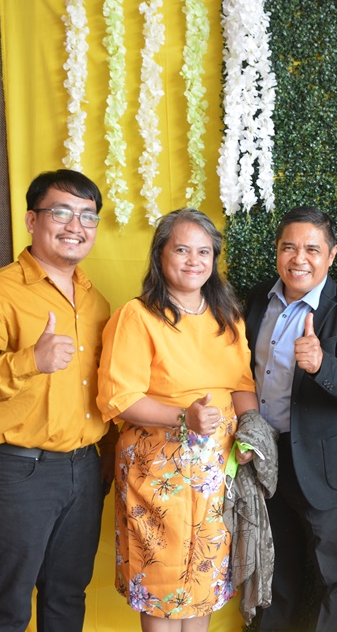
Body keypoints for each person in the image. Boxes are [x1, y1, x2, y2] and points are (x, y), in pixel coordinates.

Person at [0, 169, 114, 631]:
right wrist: (29, 361)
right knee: (7, 603)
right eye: (61, 212)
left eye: (88, 216)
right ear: (32, 220)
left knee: (67, 595)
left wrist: (110, 452)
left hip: (84, 469)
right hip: (17, 470)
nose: (75, 226)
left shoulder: (96, 302)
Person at [96, 208, 259, 630]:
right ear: (160, 255)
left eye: (204, 252)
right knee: (161, 580)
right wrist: (184, 417)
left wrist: (252, 435)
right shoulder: (137, 316)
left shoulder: (228, 316)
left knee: (203, 577)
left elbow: (242, 385)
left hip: (216, 470)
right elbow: (118, 398)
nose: (194, 260)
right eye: (182, 249)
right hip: (157, 469)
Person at [244, 206, 337, 631]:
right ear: (277, 250)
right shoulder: (257, 300)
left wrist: (322, 365)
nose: (299, 259)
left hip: (322, 467)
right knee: (273, 573)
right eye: (289, 247)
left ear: (332, 255)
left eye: (312, 249)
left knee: (333, 577)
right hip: (263, 462)